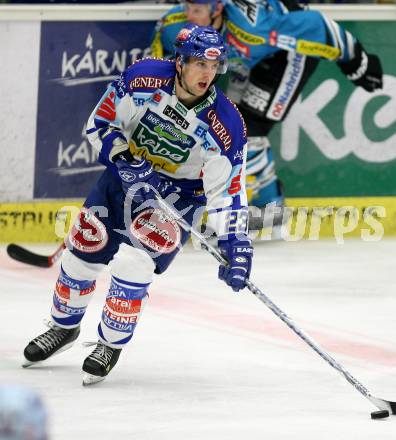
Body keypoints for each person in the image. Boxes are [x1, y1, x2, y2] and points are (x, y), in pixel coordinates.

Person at [22, 25, 253, 386]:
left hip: (175, 200)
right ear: (180, 62)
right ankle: (63, 328)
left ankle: (109, 345)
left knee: (134, 262)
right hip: (122, 180)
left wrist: (234, 239)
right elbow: (100, 121)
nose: (207, 74)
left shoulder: (226, 124)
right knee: (83, 250)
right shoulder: (143, 78)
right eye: (198, 64)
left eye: (214, 66)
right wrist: (122, 156)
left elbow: (228, 191)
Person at [148, 0, 383, 229]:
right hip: (249, 61)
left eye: (197, 9)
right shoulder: (174, 24)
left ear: (217, 8)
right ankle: (265, 203)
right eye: (187, 6)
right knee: (224, 126)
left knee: (247, 130)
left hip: (288, 55)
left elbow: (315, 24)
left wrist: (357, 61)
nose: (189, 14)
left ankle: (268, 207)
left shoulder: (252, 26)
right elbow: (156, 65)